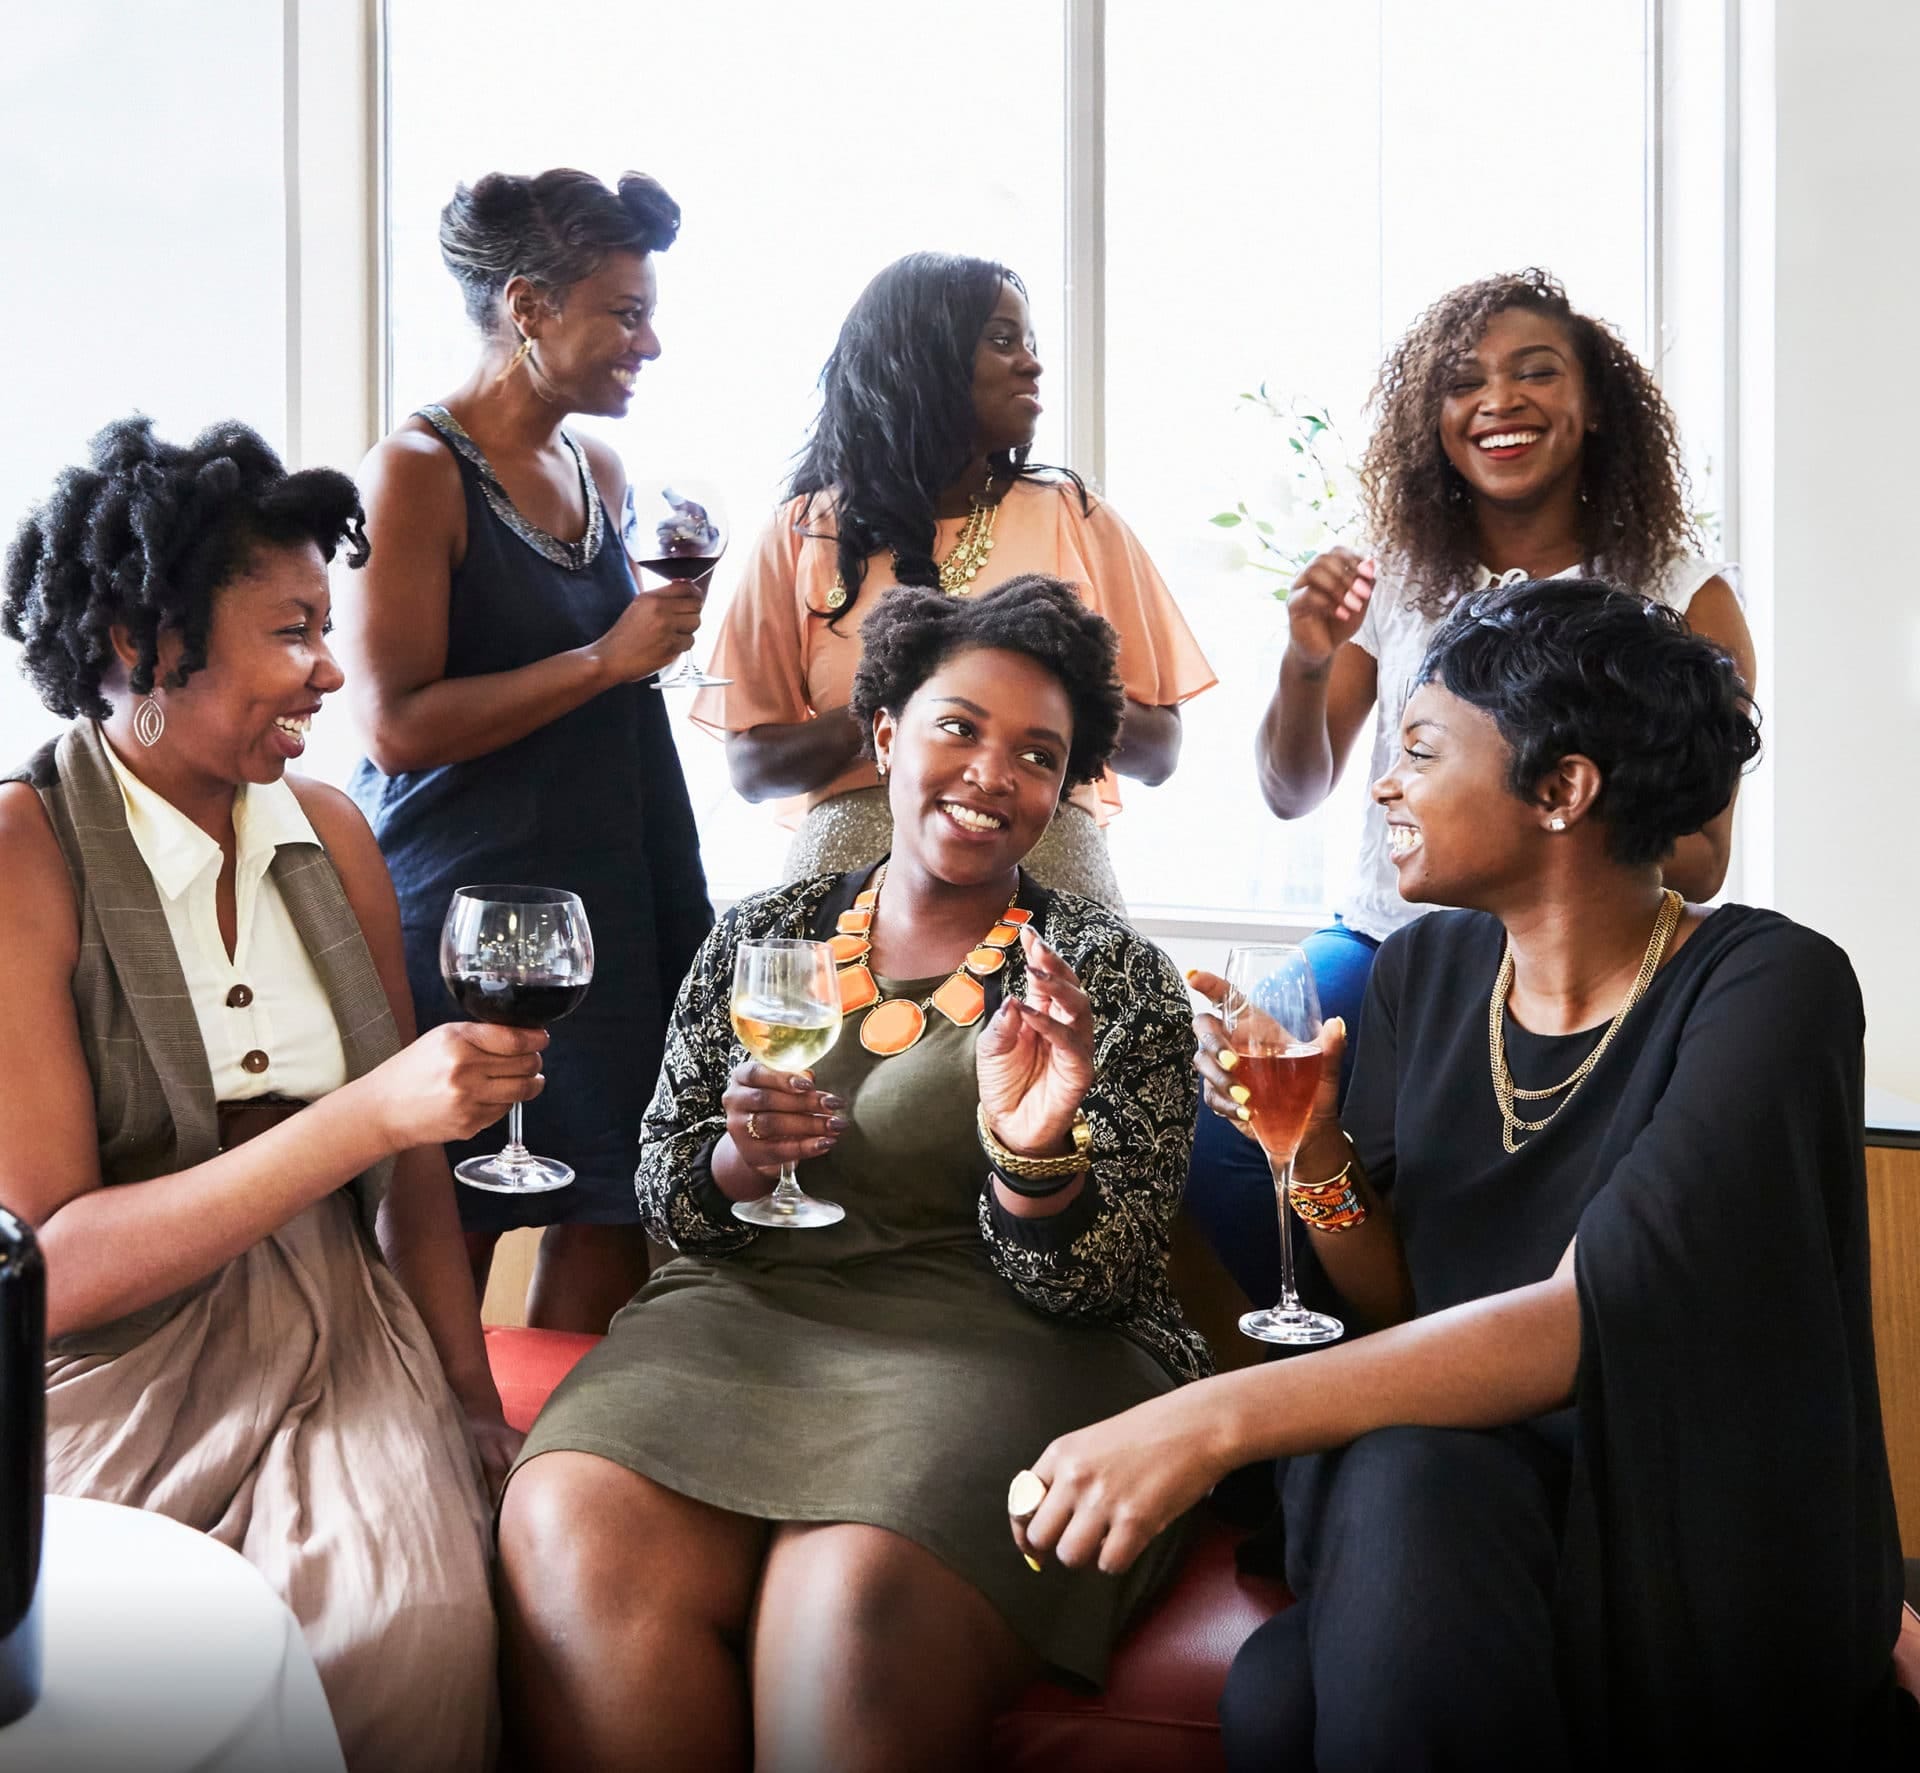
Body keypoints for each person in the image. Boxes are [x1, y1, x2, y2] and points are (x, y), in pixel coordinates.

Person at [1011, 580, 1917, 1770]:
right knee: (1342, 1590)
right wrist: (1318, 1149)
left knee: (1310, 1658)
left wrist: (1208, 1421)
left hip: (1661, 1526)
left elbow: (1586, 1322)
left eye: (1422, 750)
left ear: (1561, 790)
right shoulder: (1424, 971)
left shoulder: (1771, 986)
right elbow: (1392, 1301)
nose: (1384, 784)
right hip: (1450, 1503)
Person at [496, 576, 1209, 1773]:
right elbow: (668, 1194)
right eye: (959, 727)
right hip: (740, 1319)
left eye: (1038, 756)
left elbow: (1104, 1283)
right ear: (884, 735)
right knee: (570, 1517)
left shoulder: (1108, 977)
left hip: (1002, 1347)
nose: (992, 773)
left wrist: (1033, 1155)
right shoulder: (757, 935)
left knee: (849, 1596)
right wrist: (737, 1160)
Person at [0, 418, 549, 1772]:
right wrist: (366, 1116)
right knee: (123, 1679)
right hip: (110, 1360)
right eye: (292, 632)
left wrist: (469, 1398)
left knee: (408, 1633)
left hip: (340, 1316)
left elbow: (413, 1176)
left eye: (327, 627)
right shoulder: (24, 853)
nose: (330, 671)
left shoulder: (336, 833)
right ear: (140, 640)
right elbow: (55, 1268)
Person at [1191, 266, 1758, 1309]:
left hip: (1577, 955)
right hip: (1387, 939)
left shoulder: (1681, 593)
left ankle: (1434, 1366)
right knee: (1229, 1124)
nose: (1498, 400)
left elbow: (1705, 859)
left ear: (1596, 405)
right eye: (1463, 382)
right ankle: (1339, 1359)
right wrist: (1307, 661)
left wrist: (1543, 837)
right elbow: (1291, 791)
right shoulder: (1392, 574)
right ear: (1433, 420)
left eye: (1535, 372)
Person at [336, 168, 713, 1333]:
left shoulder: (601, 471)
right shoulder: (412, 472)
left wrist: (644, 652)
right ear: (529, 307)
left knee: (612, 1197)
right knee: (456, 1197)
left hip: (604, 895)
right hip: (469, 908)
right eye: (625, 313)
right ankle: (436, 1421)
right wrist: (605, 659)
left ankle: (554, 1439)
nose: (650, 343)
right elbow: (392, 726)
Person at [690, 250, 1215, 912]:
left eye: (1030, 343)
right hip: (847, 888)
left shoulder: (1078, 519)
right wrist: (905, 701)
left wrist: (1046, 694)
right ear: (920, 358)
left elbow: (1160, 752)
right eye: (1002, 340)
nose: (1032, 363)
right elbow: (753, 768)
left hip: (1048, 877)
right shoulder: (802, 532)